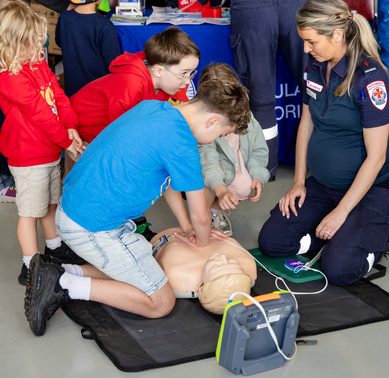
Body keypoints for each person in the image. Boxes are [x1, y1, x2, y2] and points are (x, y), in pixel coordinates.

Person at [23, 77, 252, 337]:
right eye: (220, 135)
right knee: (162, 302)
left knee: (142, 268)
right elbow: (201, 215)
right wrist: (203, 243)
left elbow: (169, 184)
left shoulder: (153, 107)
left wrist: (187, 226)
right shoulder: (182, 144)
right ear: (212, 121)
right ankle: (63, 285)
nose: (213, 141)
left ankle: (60, 271)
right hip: (92, 227)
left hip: (75, 209)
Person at [257, 0, 389, 286]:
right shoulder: (314, 66)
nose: (305, 49)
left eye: (311, 42)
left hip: (372, 189)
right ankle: (340, 236)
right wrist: (298, 182)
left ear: (337, 35)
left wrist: (341, 212)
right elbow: (306, 123)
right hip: (324, 186)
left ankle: (381, 233)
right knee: (272, 242)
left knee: (339, 270)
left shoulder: (370, 79)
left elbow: (376, 158)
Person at [0, 0, 86, 286]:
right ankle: (30, 266)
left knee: (51, 203)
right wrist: (65, 140)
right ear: (9, 45)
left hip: (49, 149)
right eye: (30, 41)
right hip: (29, 155)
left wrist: (70, 125)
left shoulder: (35, 61)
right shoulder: (9, 78)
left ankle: (54, 248)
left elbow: (58, 94)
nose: (38, 46)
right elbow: (40, 113)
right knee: (30, 212)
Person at [187, 0, 313, 178]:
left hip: (252, 2)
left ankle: (264, 170)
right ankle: (327, 163)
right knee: (316, 86)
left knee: (261, 97)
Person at [0, 0, 71, 203]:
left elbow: (53, 91)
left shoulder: (29, 62)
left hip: (6, 28)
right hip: (6, 28)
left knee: (0, 106)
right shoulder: (11, 71)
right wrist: (66, 4)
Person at [70, 27, 201, 144]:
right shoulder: (130, 85)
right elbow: (120, 133)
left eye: (191, 73)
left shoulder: (166, 82)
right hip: (81, 131)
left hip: (113, 129)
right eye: (184, 73)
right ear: (158, 71)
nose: (187, 81)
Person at [198, 64, 270, 236]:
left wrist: (258, 175)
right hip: (208, 169)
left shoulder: (248, 118)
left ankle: (215, 211)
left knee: (244, 187)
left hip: (234, 165)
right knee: (208, 180)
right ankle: (203, 216)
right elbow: (207, 159)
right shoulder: (202, 125)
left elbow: (258, 151)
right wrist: (220, 189)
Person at [55, 0, 121, 97]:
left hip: (72, 95)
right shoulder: (104, 26)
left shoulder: (64, 17)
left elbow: (60, 42)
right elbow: (113, 65)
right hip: (98, 97)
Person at [151, 227, 256, 314]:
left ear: (202, 287)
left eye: (216, 266)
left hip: (166, 235)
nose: (223, 257)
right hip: (200, 228)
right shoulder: (246, 261)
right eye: (232, 261)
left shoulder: (177, 270)